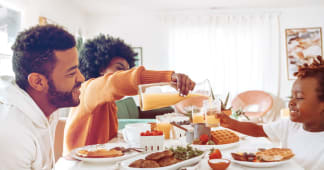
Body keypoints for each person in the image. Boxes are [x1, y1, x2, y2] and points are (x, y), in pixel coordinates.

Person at [63, 34, 195, 154]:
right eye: (119, 68)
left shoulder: (107, 101)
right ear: (100, 68)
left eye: (127, 70)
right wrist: (168, 77)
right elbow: (115, 82)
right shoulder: (88, 90)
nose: (123, 74)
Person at [0, 25, 85, 170]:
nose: (81, 78)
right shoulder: (11, 132)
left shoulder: (47, 105)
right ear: (38, 82)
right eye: (71, 73)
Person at [217, 56, 324, 170]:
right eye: (292, 97)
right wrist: (231, 123)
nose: (291, 102)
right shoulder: (290, 126)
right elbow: (258, 130)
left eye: (299, 97)